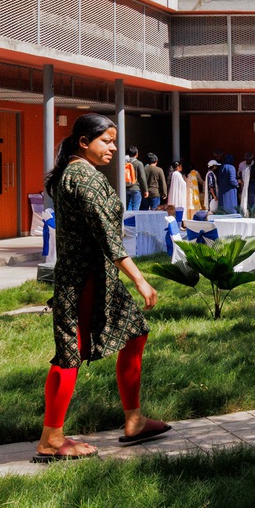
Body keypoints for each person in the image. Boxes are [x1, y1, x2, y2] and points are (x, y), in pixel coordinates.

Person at [34, 112, 167, 461]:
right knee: (70, 350)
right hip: (83, 280)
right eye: (106, 141)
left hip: (98, 276)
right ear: (83, 142)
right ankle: (51, 439)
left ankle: (134, 420)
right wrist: (140, 279)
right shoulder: (81, 176)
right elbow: (108, 237)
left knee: (135, 334)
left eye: (114, 141)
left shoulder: (82, 173)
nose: (113, 148)